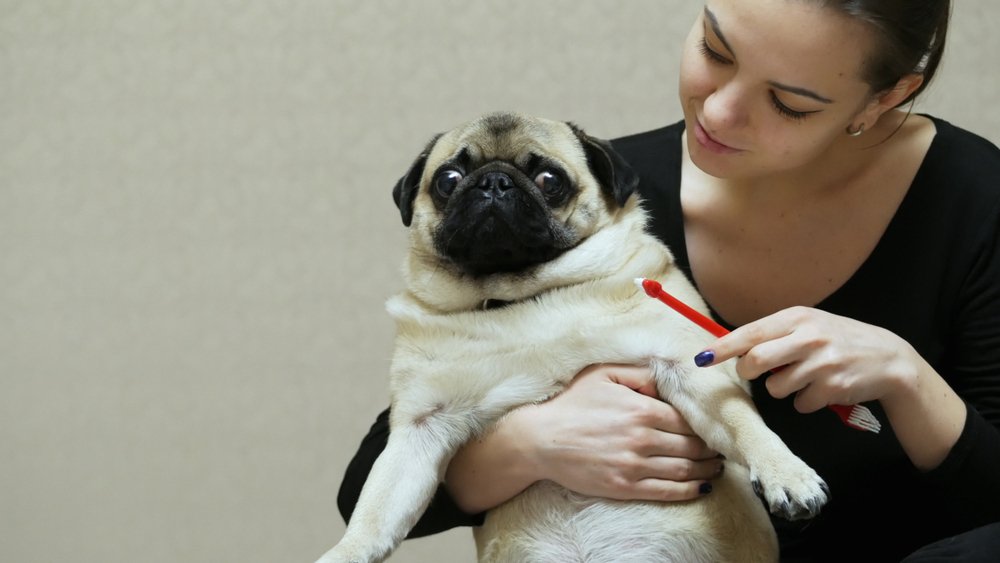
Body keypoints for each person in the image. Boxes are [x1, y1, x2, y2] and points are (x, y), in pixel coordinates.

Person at [338, 1, 1000, 560]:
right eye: (715, 48)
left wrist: (908, 380)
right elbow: (373, 477)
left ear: (884, 99)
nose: (719, 109)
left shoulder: (975, 200)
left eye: (788, 103)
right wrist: (534, 444)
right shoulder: (608, 192)